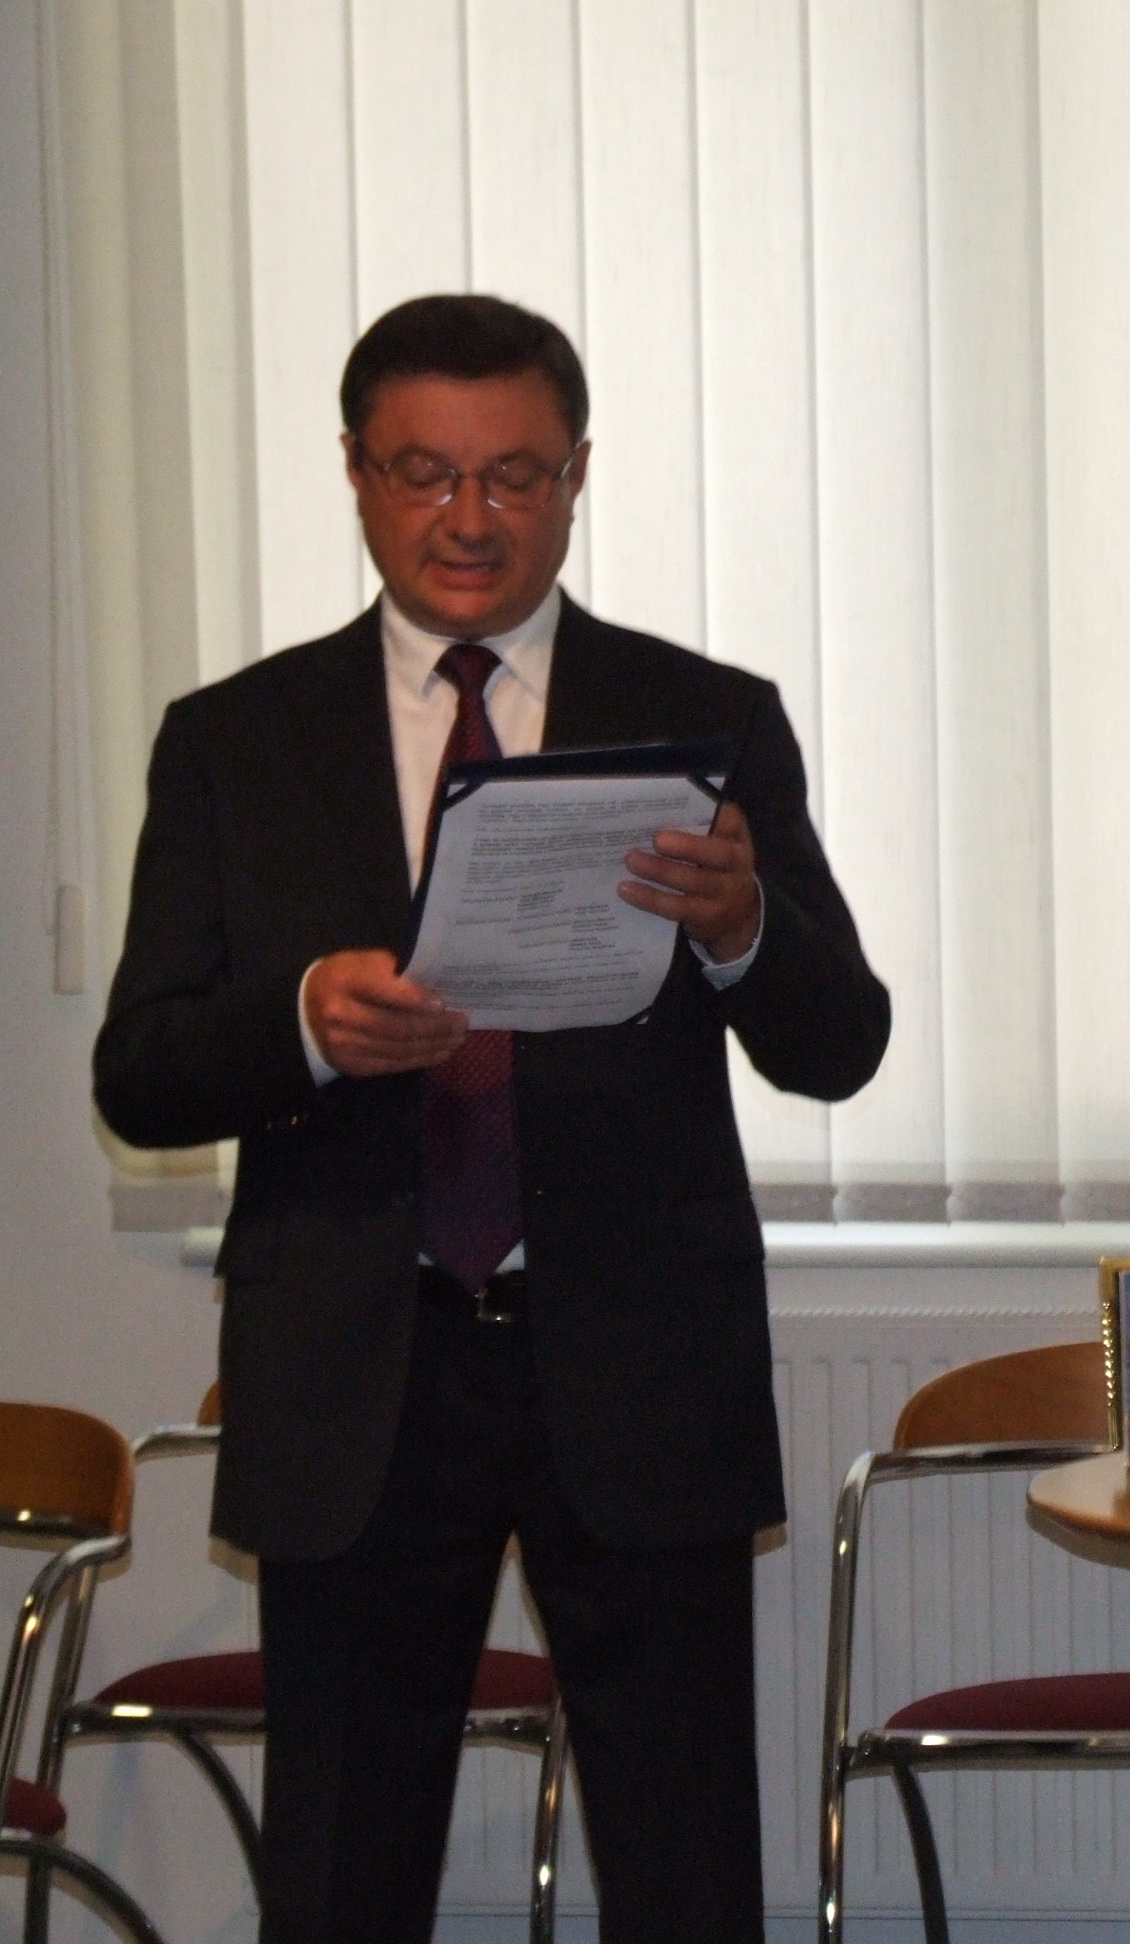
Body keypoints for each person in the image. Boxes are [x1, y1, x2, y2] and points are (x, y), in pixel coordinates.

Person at [92, 294, 890, 1944]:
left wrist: (742, 928)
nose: (469, 517)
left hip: (638, 1356)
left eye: (514, 475)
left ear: (576, 476)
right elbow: (139, 1072)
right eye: (425, 473)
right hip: (356, 1369)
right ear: (357, 473)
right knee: (341, 1875)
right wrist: (302, 1024)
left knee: (683, 1868)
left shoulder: (707, 719)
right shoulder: (234, 741)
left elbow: (842, 1045)